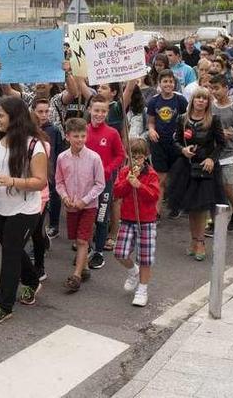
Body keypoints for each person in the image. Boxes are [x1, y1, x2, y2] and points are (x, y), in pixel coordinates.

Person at [0, 96, 47, 324]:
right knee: (14, 249)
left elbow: (40, 181)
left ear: (14, 118)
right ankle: (32, 280)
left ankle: (3, 305)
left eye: (1, 115)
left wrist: (12, 182)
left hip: (25, 209)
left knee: (9, 254)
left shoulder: (33, 146)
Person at [167, 88, 225, 261]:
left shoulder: (214, 120)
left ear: (208, 102)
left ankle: (200, 242)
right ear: (192, 100)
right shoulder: (181, 119)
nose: (201, 101)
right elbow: (175, 140)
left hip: (206, 169)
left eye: (204, 98)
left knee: (201, 208)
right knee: (191, 208)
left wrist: (211, 159)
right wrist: (183, 149)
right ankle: (194, 241)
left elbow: (221, 144)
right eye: (198, 97)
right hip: (185, 168)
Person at [56, 117, 106, 293]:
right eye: (76, 136)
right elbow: (59, 182)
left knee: (82, 240)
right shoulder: (62, 158)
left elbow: (100, 184)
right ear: (68, 136)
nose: (79, 139)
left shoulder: (94, 158)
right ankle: (84, 268)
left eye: (83, 136)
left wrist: (84, 200)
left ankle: (76, 276)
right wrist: (64, 197)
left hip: (88, 206)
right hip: (71, 205)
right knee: (76, 240)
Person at [112, 139, 160, 307]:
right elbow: (117, 192)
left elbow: (154, 196)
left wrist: (139, 185)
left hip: (146, 221)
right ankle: (133, 271)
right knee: (120, 252)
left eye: (140, 157)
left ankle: (142, 289)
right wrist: (128, 181)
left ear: (146, 157)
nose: (136, 161)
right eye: (133, 156)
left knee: (145, 258)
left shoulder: (151, 174)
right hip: (127, 219)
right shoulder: (125, 171)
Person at [85, 95, 125, 269]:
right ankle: (85, 249)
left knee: (101, 218)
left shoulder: (112, 133)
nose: (99, 114)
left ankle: (99, 252)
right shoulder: (83, 130)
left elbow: (120, 155)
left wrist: (108, 169)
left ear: (107, 112)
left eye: (103, 111)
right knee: (85, 217)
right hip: (84, 183)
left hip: (105, 183)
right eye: (96, 110)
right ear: (89, 110)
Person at [146, 69, 189, 216]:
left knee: (176, 177)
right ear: (159, 83)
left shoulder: (180, 100)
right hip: (159, 143)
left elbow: (187, 119)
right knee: (160, 178)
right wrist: (151, 130)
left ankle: (176, 206)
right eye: (165, 81)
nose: (168, 84)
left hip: (176, 145)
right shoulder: (154, 101)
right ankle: (156, 212)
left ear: (174, 83)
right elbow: (151, 122)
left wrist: (185, 133)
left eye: (171, 81)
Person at [209, 74, 233, 231]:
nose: (214, 91)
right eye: (212, 88)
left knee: (226, 188)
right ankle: (214, 220)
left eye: (217, 88)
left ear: (226, 88)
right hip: (212, 153)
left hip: (230, 154)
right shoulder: (210, 106)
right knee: (212, 188)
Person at [33, 98, 65, 241]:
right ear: (33, 111)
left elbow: (59, 152)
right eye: (40, 111)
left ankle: (53, 225)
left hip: (50, 172)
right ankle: (40, 234)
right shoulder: (30, 129)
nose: (44, 115)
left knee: (52, 198)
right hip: (35, 172)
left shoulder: (54, 130)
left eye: (47, 111)